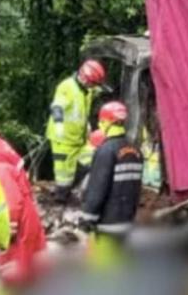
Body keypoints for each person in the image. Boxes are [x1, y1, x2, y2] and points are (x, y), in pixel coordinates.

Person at [0, 128, 46, 286]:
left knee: (16, 270)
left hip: (15, 227)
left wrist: (6, 229)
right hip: (21, 221)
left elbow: (10, 204)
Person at [79, 101, 142, 254]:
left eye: (101, 121)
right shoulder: (136, 151)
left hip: (107, 223)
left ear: (107, 122)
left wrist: (86, 219)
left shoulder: (105, 151)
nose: (100, 125)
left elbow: (97, 189)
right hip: (127, 221)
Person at [47, 59, 105, 203]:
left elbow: (81, 112)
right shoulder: (67, 87)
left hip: (79, 139)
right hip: (63, 139)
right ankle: (60, 199)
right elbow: (57, 106)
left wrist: (87, 126)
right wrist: (59, 123)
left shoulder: (87, 91)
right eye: (92, 82)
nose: (93, 86)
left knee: (94, 156)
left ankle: (72, 191)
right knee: (64, 177)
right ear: (84, 78)